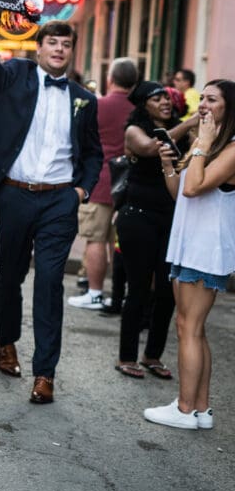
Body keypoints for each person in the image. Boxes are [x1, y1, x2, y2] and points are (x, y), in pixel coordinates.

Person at [0, 18, 102, 405]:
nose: (59, 49)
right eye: (52, 43)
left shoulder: (84, 99)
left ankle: (45, 372)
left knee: (50, 281)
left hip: (60, 199)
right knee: (10, 272)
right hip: (13, 195)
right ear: (39, 47)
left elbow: (92, 153)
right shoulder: (13, 76)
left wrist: (81, 190)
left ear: (72, 51)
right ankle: (6, 342)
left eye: (66, 44)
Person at [145, 79, 235, 430]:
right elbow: (180, 192)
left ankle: (184, 409)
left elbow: (196, 187)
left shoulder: (228, 147)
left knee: (189, 326)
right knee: (192, 328)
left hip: (205, 249)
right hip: (188, 244)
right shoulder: (207, 143)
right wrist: (169, 165)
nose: (203, 106)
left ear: (230, 108)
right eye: (202, 99)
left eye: (212, 100)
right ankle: (200, 409)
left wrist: (203, 143)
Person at [114, 81, 195, 378]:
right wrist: (190, 123)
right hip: (137, 217)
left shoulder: (182, 130)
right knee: (137, 288)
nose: (164, 101)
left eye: (166, 96)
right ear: (143, 104)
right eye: (156, 97)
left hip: (172, 218)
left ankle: (152, 355)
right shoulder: (134, 131)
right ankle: (127, 356)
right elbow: (151, 147)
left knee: (166, 290)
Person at [69, 58, 138, 311]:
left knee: (96, 239)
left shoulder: (98, 105)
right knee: (119, 242)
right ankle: (121, 294)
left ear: (111, 78)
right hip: (130, 182)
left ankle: (95, 292)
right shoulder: (138, 108)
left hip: (100, 181)